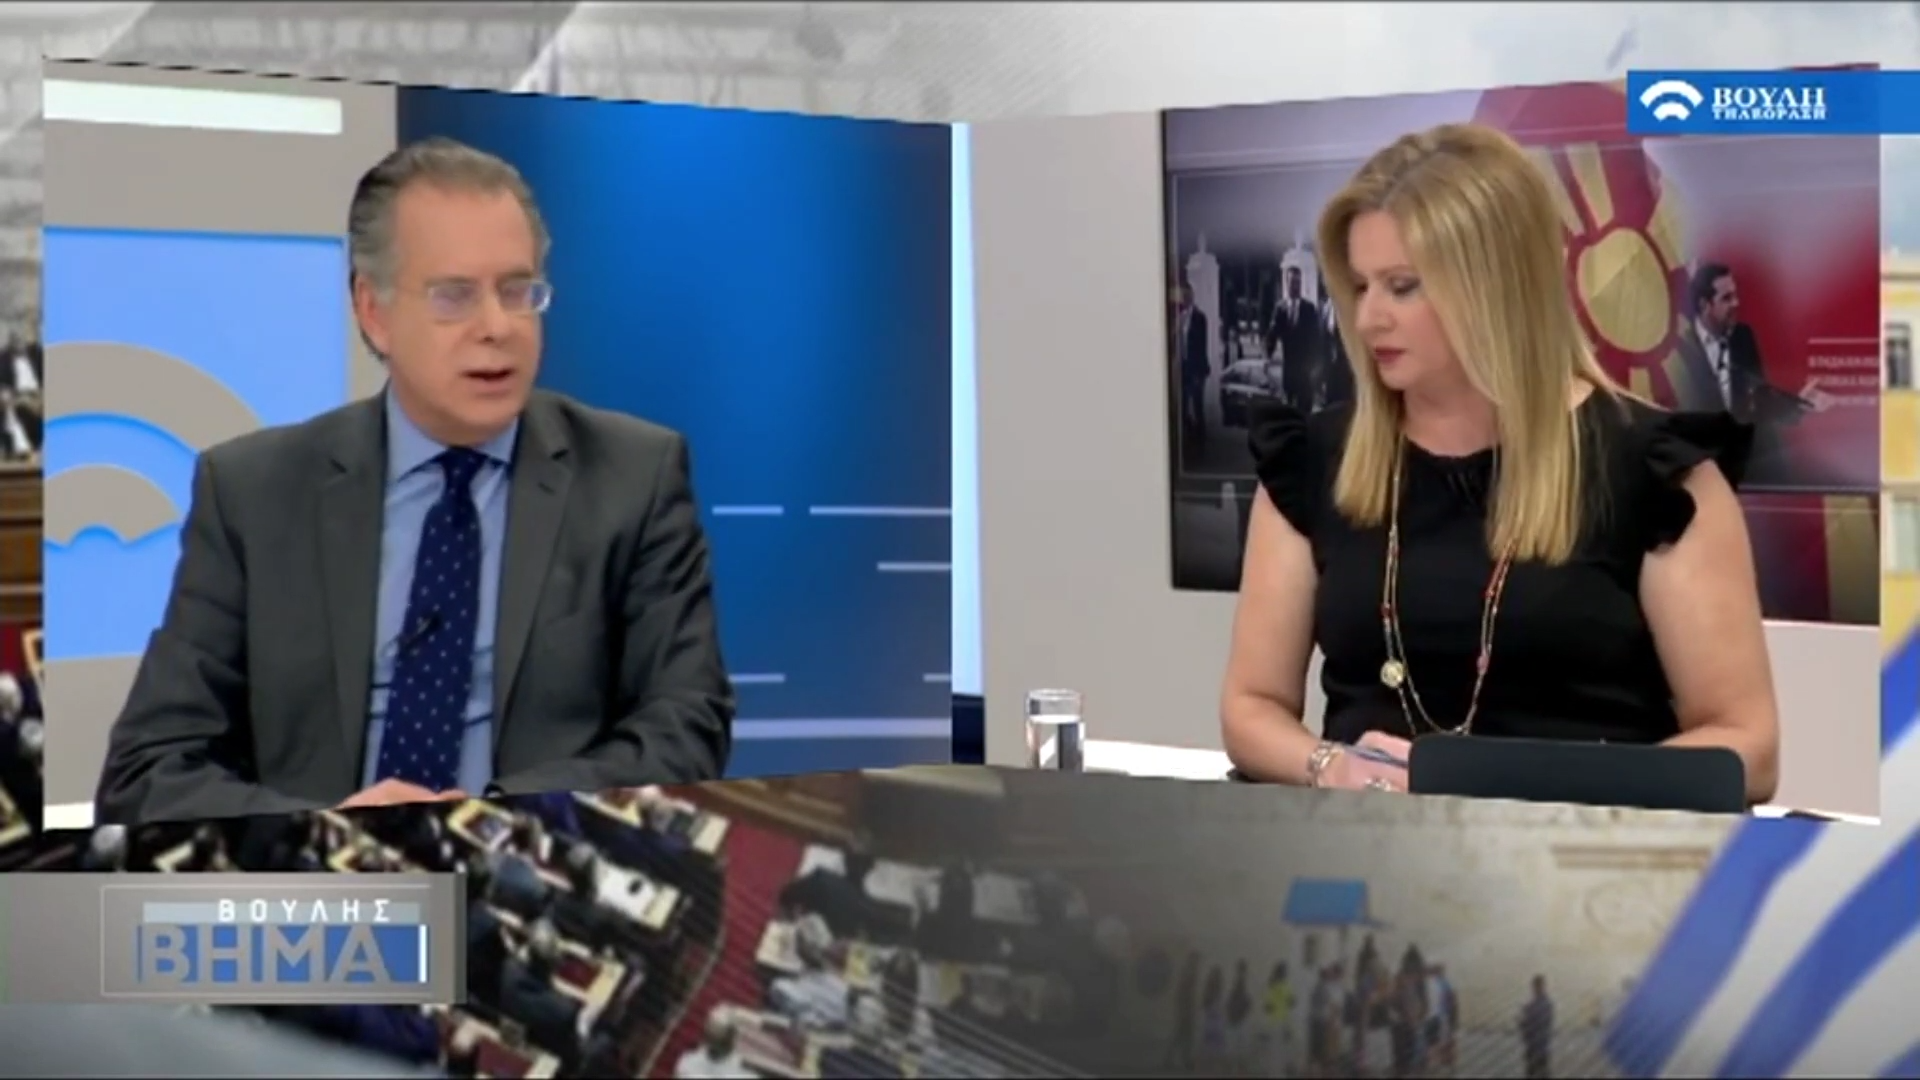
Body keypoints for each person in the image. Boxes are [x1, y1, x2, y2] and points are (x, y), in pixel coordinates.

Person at [95, 137, 735, 825]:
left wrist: (486, 814)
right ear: (374, 312)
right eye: (454, 296)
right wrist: (332, 829)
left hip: (530, 859)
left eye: (517, 291)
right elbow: (148, 770)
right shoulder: (252, 493)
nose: (498, 327)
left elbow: (687, 724)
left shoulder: (635, 477)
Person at [1218, 122, 1779, 805]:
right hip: (1367, 852)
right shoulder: (1313, 461)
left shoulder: (1654, 472)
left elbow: (1747, 750)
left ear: (1496, 288)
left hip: (1582, 855)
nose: (1368, 320)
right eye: (1361, 287)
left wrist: (1495, 782)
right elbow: (1252, 706)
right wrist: (1331, 767)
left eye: (1402, 287)